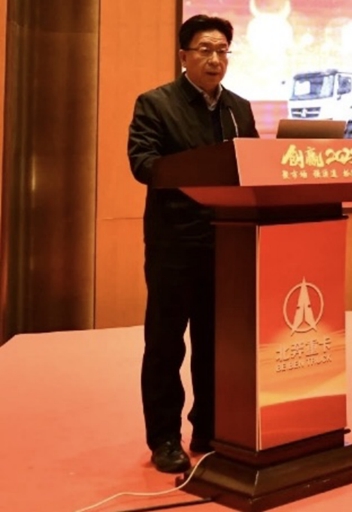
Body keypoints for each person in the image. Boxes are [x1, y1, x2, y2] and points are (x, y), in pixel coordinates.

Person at [127, 14, 259, 474]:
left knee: (216, 342)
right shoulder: (156, 104)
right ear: (184, 56)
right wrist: (199, 171)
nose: (215, 59)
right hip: (175, 244)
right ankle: (164, 437)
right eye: (205, 49)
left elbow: (253, 165)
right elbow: (142, 163)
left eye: (222, 50)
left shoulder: (239, 109)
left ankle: (210, 427)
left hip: (228, 241)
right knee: (166, 344)